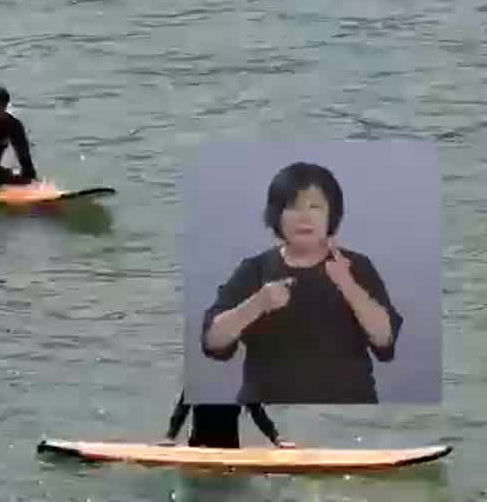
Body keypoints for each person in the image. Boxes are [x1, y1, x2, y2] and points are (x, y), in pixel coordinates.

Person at [200, 162, 401, 404]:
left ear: (331, 215)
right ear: (277, 215)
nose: (304, 217)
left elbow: (385, 339)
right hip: (267, 407)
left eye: (315, 206)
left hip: (349, 405)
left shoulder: (356, 266)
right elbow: (213, 342)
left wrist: (348, 285)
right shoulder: (255, 269)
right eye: (293, 207)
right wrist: (257, 304)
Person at [165, 391, 284, 449]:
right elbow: (182, 409)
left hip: (229, 448)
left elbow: (257, 412)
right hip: (200, 447)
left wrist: (276, 439)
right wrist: (170, 437)